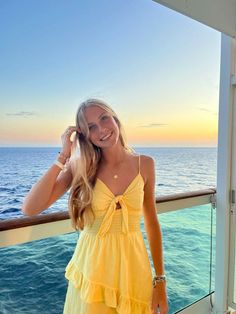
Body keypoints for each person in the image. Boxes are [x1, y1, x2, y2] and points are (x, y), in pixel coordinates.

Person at [22, 98, 169, 314]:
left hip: (134, 269)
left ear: (115, 119)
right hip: (93, 271)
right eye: (91, 127)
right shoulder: (81, 166)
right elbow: (30, 208)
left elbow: (151, 222)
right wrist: (64, 155)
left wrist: (160, 281)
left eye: (104, 118)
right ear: (85, 135)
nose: (101, 129)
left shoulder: (145, 164)